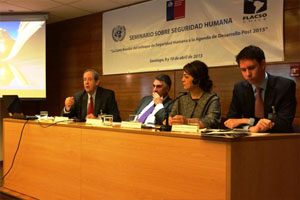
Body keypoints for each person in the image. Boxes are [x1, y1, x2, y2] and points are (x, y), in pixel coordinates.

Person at [224, 45, 296, 133]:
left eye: (251, 68)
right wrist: (251, 129)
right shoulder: (239, 88)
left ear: (263, 64)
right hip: (249, 141)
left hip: (278, 140)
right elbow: (230, 121)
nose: (248, 74)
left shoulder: (285, 86)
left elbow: (284, 124)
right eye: (243, 70)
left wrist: (247, 121)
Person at [169, 60, 221, 128]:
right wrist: (170, 120)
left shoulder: (212, 99)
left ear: (197, 80)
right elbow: (172, 116)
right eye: (183, 76)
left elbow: (211, 121)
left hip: (202, 138)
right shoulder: (181, 98)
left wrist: (187, 121)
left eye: (186, 77)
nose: (182, 80)